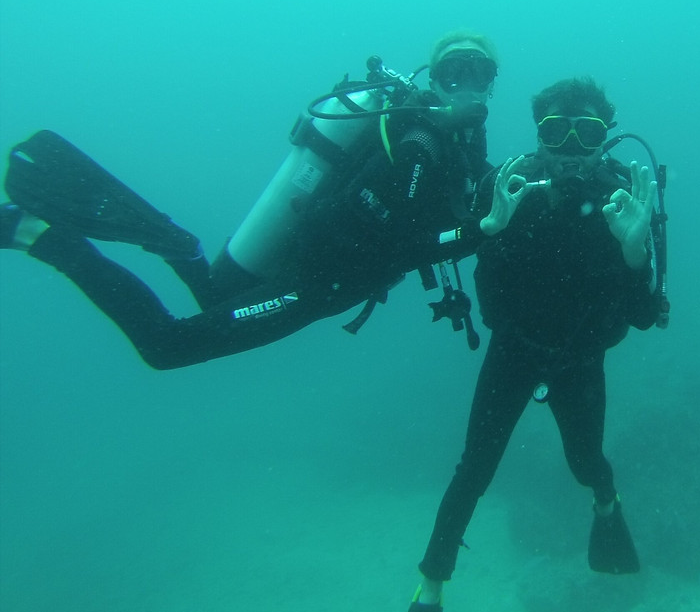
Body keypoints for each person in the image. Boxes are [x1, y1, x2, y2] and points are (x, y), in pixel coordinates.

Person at [0, 31, 500, 369]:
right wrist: (483, 229)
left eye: (481, 73)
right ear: (434, 77)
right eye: (456, 69)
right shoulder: (421, 142)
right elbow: (397, 237)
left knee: (216, 296)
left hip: (320, 273)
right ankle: (43, 239)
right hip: (314, 279)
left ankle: (177, 244)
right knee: (166, 346)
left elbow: (447, 211)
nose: (468, 83)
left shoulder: (457, 143)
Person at [407, 77, 662, 612]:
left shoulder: (627, 196)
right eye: (556, 131)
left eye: (587, 131)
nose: (572, 146)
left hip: (581, 356)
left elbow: (642, 317)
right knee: (474, 468)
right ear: (538, 134)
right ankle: (430, 587)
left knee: (585, 461)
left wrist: (636, 247)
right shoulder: (508, 186)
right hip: (514, 350)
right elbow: (489, 304)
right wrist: (490, 229)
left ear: (605, 135)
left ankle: (606, 503)